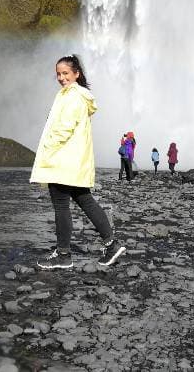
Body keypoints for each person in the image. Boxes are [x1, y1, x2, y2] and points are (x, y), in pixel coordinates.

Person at [29, 54, 126, 269]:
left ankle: (64, 255)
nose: (61, 78)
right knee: (85, 200)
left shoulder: (72, 96)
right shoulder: (77, 96)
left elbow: (64, 128)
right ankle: (111, 244)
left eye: (65, 73)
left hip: (62, 160)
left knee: (61, 205)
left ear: (76, 74)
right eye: (58, 74)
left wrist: (48, 148)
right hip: (75, 161)